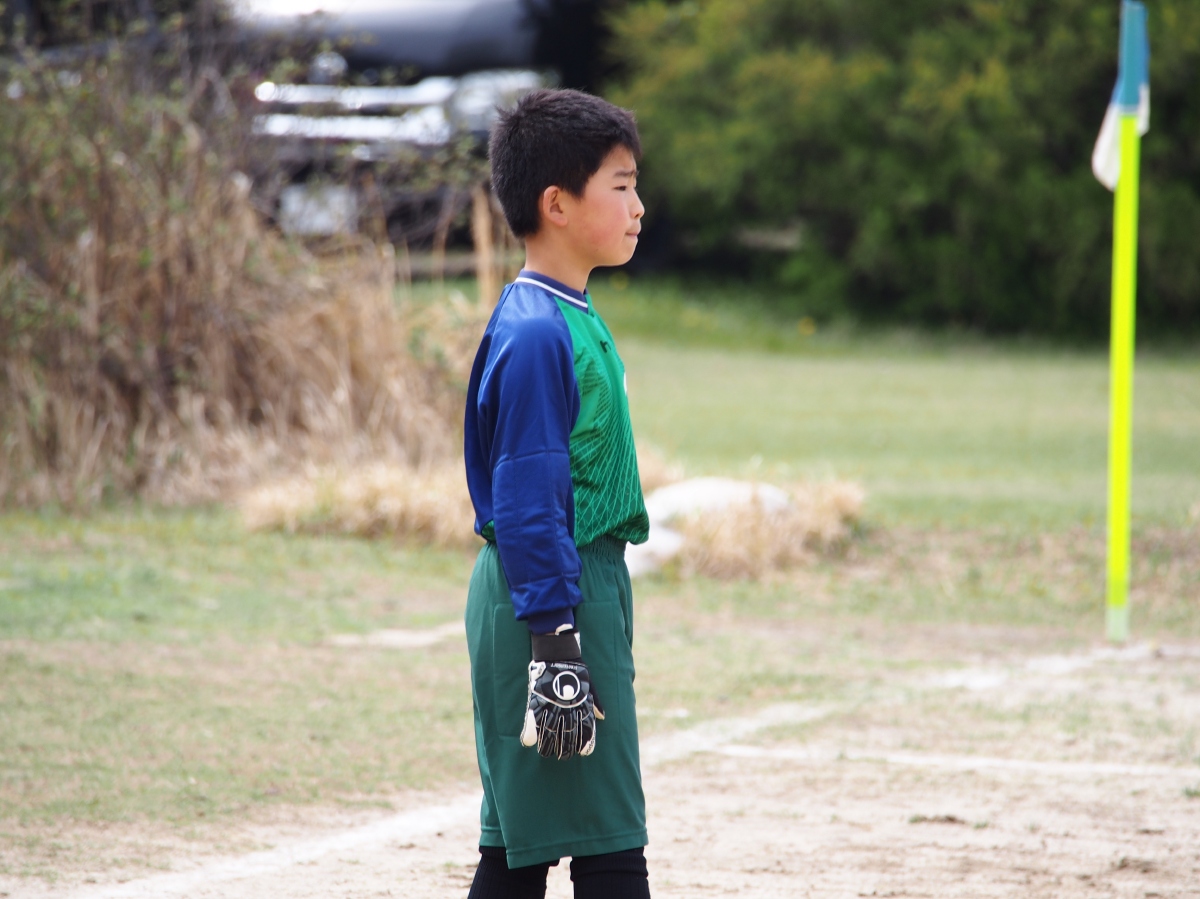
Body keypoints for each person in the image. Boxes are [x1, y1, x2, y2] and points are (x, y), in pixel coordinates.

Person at [462, 88, 652, 899]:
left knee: (523, 851)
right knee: (609, 848)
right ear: (557, 203)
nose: (638, 207)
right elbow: (529, 494)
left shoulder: (563, 310)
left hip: (566, 590)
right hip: (550, 596)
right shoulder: (540, 329)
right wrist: (557, 640)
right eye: (621, 186)